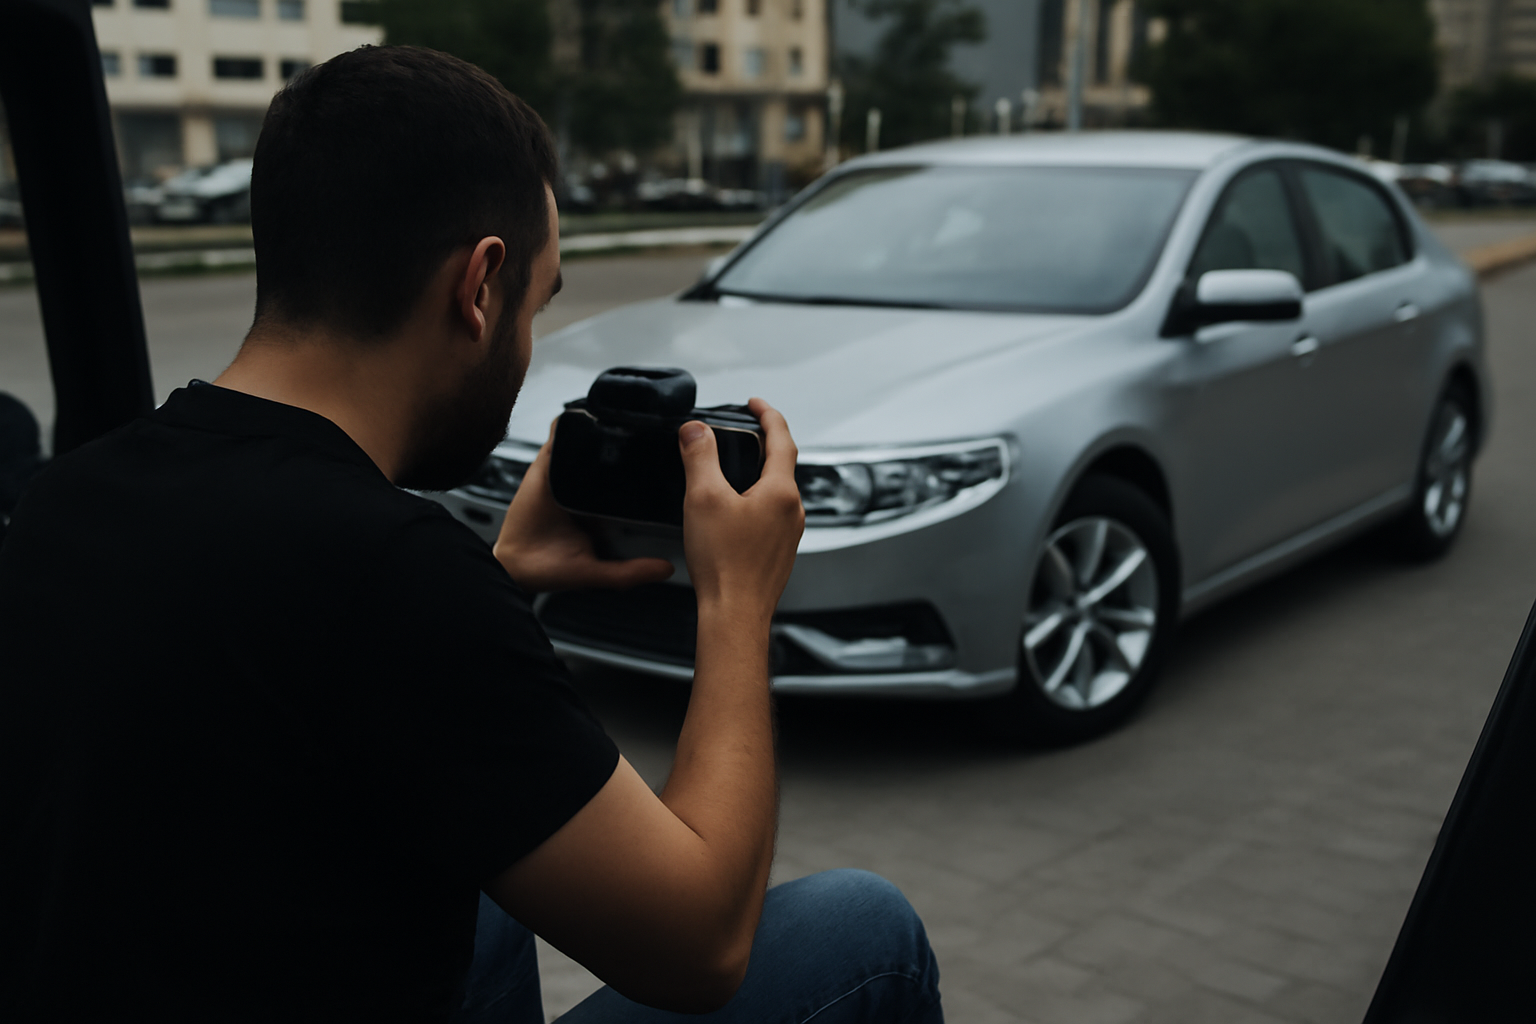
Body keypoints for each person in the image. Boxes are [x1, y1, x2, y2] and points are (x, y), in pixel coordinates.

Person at [0, 45, 942, 1024]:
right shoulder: (390, 571)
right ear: (480, 285)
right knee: (864, 932)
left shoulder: (69, 496)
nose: (528, 341)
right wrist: (737, 602)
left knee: (500, 863)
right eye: (539, 302)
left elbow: (283, 683)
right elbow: (701, 945)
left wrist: (499, 579)